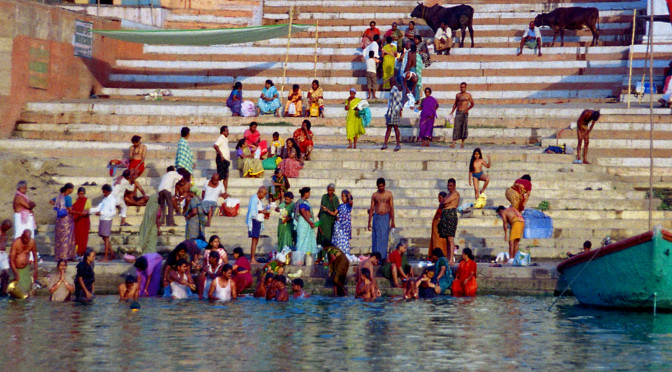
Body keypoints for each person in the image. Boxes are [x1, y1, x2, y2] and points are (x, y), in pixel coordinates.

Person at [368, 178, 395, 260]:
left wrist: (393, 221)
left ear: (384, 185)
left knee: (384, 237)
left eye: (382, 186)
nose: (381, 188)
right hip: (376, 217)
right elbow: (371, 209)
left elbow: (392, 208)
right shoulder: (375, 195)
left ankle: (382, 258)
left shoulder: (389, 194)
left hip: (385, 217)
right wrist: (369, 223)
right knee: (376, 237)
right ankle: (375, 258)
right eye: (379, 186)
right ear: (377, 186)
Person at [89, 184, 116, 261]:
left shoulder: (112, 200)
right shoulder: (105, 199)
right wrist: (89, 211)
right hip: (102, 219)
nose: (104, 194)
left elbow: (113, 212)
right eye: (103, 192)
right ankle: (112, 254)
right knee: (104, 238)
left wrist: (102, 213)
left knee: (106, 238)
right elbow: (99, 207)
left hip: (107, 219)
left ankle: (106, 256)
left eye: (105, 192)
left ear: (108, 191)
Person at [50, 183, 76, 261]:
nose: (72, 190)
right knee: (67, 238)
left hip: (59, 220)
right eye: (72, 189)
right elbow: (70, 210)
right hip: (66, 220)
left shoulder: (59, 196)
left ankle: (59, 256)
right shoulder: (68, 198)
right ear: (69, 189)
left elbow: (51, 201)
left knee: (59, 239)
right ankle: (66, 256)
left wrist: (59, 206)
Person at [247, 186, 269, 264]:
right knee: (254, 240)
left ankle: (253, 258)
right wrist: (263, 211)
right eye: (264, 194)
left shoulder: (258, 200)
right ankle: (252, 259)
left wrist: (264, 214)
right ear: (260, 192)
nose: (264, 196)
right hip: (254, 221)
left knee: (256, 240)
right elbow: (253, 212)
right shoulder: (254, 199)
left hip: (258, 221)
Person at [440, 178, 460, 264]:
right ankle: (448, 258)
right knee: (447, 238)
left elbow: (444, 202)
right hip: (445, 214)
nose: (449, 187)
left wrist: (445, 202)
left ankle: (451, 260)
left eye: (451, 185)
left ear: (454, 186)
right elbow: (443, 203)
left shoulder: (455, 193)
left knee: (450, 238)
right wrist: (445, 202)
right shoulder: (449, 194)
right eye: (448, 185)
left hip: (451, 215)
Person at [295, 187, 317, 261]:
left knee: (308, 241)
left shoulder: (306, 202)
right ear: (305, 193)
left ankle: (307, 259)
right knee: (301, 240)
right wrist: (310, 222)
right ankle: (299, 259)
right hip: (304, 222)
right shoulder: (301, 202)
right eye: (308, 193)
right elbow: (303, 211)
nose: (309, 194)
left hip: (307, 223)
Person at [450, 82, 474, 148]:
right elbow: (455, 104)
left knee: (464, 127)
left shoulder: (468, 95)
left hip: (465, 112)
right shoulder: (457, 95)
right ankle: (453, 143)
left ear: (465, 87)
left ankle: (462, 143)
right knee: (456, 127)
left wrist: (467, 109)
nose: (462, 88)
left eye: (463, 87)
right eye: (461, 87)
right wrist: (452, 112)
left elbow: (472, 104)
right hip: (458, 112)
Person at [382, 78, 403, 151]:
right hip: (391, 111)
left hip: (394, 111)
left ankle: (397, 144)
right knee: (389, 128)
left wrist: (399, 110)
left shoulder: (394, 91)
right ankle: (385, 143)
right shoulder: (393, 90)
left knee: (395, 128)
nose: (391, 83)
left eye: (391, 82)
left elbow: (398, 102)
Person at [429, 192, 449, 261]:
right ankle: (435, 256)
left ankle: (440, 256)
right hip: (436, 229)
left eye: (440, 198)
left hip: (440, 228)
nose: (439, 199)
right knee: (435, 243)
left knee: (441, 243)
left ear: (444, 198)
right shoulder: (441, 206)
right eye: (438, 198)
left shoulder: (445, 206)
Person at [332, 190, 353, 255]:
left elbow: (351, 202)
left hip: (346, 226)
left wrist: (349, 196)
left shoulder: (348, 205)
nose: (342, 198)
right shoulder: (340, 206)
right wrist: (327, 210)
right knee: (339, 239)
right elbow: (334, 213)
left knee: (345, 240)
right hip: (339, 225)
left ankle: (345, 254)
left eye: (343, 196)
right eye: (341, 196)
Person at [72, 187, 91, 257]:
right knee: (76, 237)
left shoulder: (87, 200)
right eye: (80, 193)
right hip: (76, 221)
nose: (81, 195)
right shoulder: (74, 200)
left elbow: (88, 210)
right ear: (77, 194)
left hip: (84, 221)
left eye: (83, 193)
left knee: (83, 237)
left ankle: (82, 252)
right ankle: (76, 252)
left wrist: (85, 212)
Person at [214, 125, 231, 191]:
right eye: (226, 131)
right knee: (220, 176)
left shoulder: (225, 139)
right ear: (223, 132)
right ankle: (219, 190)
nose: (228, 133)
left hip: (226, 160)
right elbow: (215, 146)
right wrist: (221, 154)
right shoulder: (221, 138)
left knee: (226, 176)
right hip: (221, 159)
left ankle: (224, 191)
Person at [0, 220, 12, 296]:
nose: (7, 229)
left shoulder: (5, 233)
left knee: (6, 275)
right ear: (3, 225)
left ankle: (3, 292)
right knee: (4, 274)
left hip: (4, 254)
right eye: (6, 227)